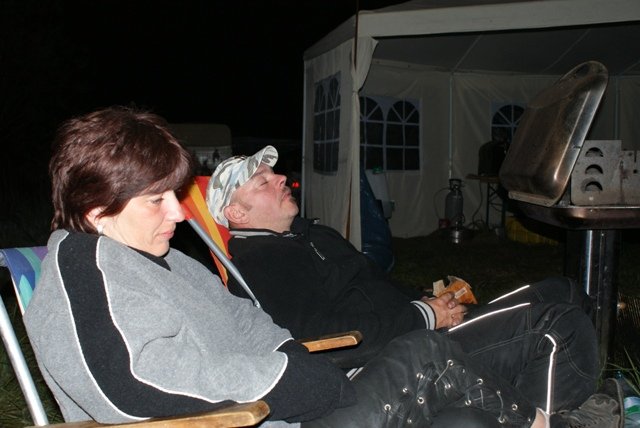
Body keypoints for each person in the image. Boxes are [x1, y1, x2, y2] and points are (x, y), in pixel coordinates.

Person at [23, 106, 583, 428]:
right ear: (97, 210)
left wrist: (289, 358)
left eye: (175, 194)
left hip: (284, 408)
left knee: (466, 421)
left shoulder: (161, 260)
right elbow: (131, 381)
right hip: (255, 417)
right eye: (157, 200)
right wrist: (284, 381)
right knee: (425, 353)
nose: (177, 211)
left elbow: (246, 321)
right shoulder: (83, 266)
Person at [206, 145, 624, 427]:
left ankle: (545, 403)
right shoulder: (263, 259)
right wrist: (424, 315)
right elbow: (318, 335)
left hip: (416, 325)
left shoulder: (311, 234)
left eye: (274, 173)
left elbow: (375, 284)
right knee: (557, 325)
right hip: (393, 355)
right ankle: (553, 420)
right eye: (262, 182)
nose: (281, 178)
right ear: (237, 213)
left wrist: (427, 299)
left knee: (563, 290)